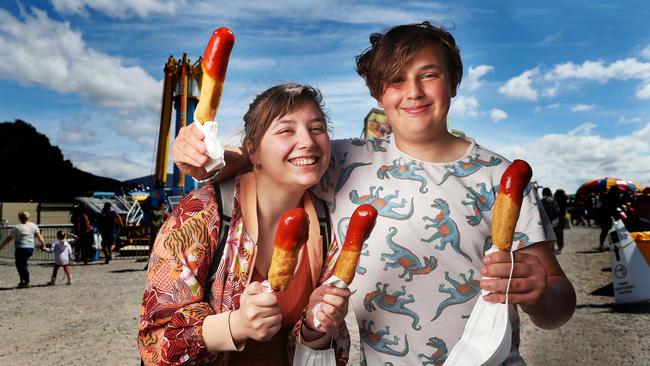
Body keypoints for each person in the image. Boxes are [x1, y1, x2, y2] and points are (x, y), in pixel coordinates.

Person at [172, 22, 576, 365]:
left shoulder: (499, 176)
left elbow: (558, 307)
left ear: (453, 81)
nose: (413, 92)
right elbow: (277, 158)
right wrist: (202, 153)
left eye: (429, 74)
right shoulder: (345, 160)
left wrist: (540, 294)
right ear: (378, 93)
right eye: (397, 80)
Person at [138, 83, 352, 365]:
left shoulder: (325, 224)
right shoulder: (202, 213)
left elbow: (319, 351)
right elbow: (154, 341)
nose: (308, 142)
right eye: (286, 130)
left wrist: (315, 329)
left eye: (316, 128)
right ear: (252, 151)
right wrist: (235, 325)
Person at [0, 210, 46, 288]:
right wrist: (43, 244)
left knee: (21, 265)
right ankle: (22, 280)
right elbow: (39, 236)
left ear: (19, 218)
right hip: (30, 248)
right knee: (21, 264)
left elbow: (9, 238)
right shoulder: (33, 225)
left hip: (20, 248)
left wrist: (1, 246)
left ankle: (26, 281)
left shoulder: (17, 227)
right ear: (28, 218)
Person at [598, 186, 621, 251]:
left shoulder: (605, 196)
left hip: (604, 215)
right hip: (611, 215)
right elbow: (616, 207)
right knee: (613, 231)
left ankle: (601, 245)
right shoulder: (616, 197)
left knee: (604, 231)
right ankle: (613, 245)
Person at [553, 189, 568, 254]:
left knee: (555, 233)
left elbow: (556, 210)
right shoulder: (565, 200)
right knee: (560, 234)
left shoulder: (556, 201)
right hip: (562, 218)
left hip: (557, 218)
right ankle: (560, 247)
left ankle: (556, 248)